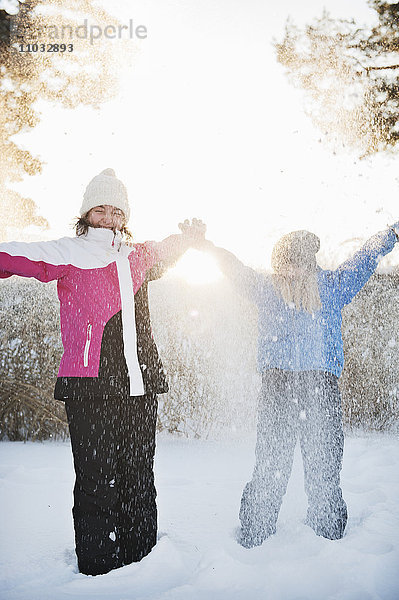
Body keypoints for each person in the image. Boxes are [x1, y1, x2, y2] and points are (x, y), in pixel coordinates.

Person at [0, 168, 205, 575]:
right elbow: (14, 255)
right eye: (101, 209)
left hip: (140, 383)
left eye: (117, 211)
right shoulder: (67, 252)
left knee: (138, 474)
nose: (109, 218)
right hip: (89, 385)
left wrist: (189, 237)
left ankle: (142, 562)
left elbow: (168, 249)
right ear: (86, 212)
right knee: (96, 477)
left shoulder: (137, 255)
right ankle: (97, 567)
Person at [200, 223, 399, 547]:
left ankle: (330, 540)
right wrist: (207, 247)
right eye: (284, 264)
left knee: (323, 469)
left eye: (297, 263)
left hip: (321, 388)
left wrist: (390, 235)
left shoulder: (331, 287)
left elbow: (363, 259)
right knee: (270, 467)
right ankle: (255, 537)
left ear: (309, 262)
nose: (290, 271)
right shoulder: (267, 290)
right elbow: (235, 269)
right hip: (278, 388)